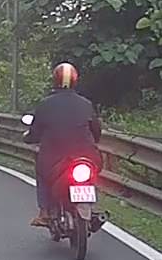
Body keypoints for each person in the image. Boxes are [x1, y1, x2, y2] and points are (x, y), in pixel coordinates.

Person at [23, 62, 103, 229]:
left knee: (42, 174)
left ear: (55, 80)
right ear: (75, 80)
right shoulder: (86, 104)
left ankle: (44, 213)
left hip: (54, 158)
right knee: (93, 174)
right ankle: (92, 205)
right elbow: (96, 131)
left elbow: (34, 133)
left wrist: (28, 138)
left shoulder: (45, 104)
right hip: (86, 156)